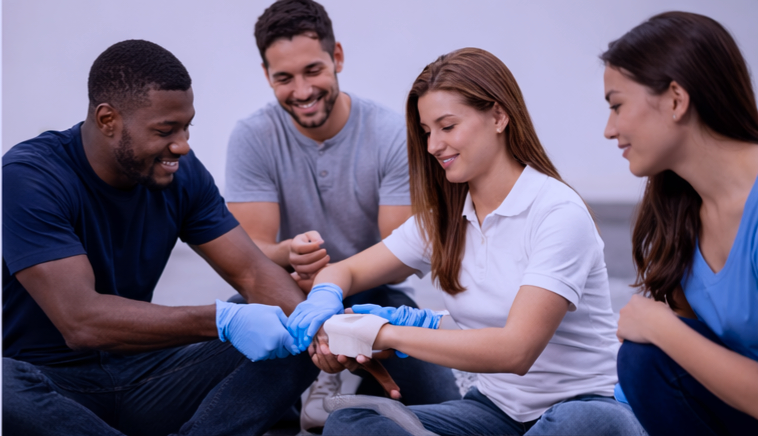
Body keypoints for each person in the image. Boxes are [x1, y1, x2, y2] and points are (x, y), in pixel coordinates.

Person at [292, 47, 646, 435]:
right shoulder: (444, 220)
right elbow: (343, 271)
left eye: (447, 126)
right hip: (493, 413)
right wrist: (325, 311)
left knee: (589, 425)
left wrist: (383, 332)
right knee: (354, 422)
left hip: (580, 407)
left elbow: (517, 351)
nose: (433, 146)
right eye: (427, 132)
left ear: (498, 116)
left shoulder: (557, 212)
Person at [2, 39, 319, 436]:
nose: (182, 145)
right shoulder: (30, 176)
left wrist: (325, 332)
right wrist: (223, 319)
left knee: (293, 323)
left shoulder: (180, 174)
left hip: (147, 381)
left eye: (187, 126)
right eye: (166, 130)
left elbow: (255, 274)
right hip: (52, 390)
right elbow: (81, 322)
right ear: (107, 120)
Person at [224, 0, 458, 431]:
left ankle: (341, 381)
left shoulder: (390, 133)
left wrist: (334, 292)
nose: (302, 90)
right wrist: (288, 253)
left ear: (338, 58)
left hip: (375, 296)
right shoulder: (252, 137)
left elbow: (399, 251)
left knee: (440, 399)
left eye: (313, 70)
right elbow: (248, 250)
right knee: (232, 370)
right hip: (288, 295)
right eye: (284, 78)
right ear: (266, 76)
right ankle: (298, 396)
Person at [602, 11, 758, 435]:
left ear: (675, 99)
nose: (608, 129)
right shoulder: (680, 212)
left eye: (617, 106)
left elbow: (672, 339)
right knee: (644, 360)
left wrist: (660, 326)